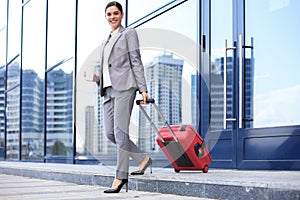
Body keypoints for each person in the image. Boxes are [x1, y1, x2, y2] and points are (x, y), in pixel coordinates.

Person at [92, 1, 152, 194]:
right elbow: (105, 67)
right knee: (110, 133)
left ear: (122, 14)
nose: (112, 17)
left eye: (115, 13)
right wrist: (96, 78)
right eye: (109, 14)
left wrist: (143, 89)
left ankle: (120, 177)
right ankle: (142, 159)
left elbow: (136, 60)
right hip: (108, 91)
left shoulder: (128, 33)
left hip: (126, 87)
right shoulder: (106, 40)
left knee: (120, 132)